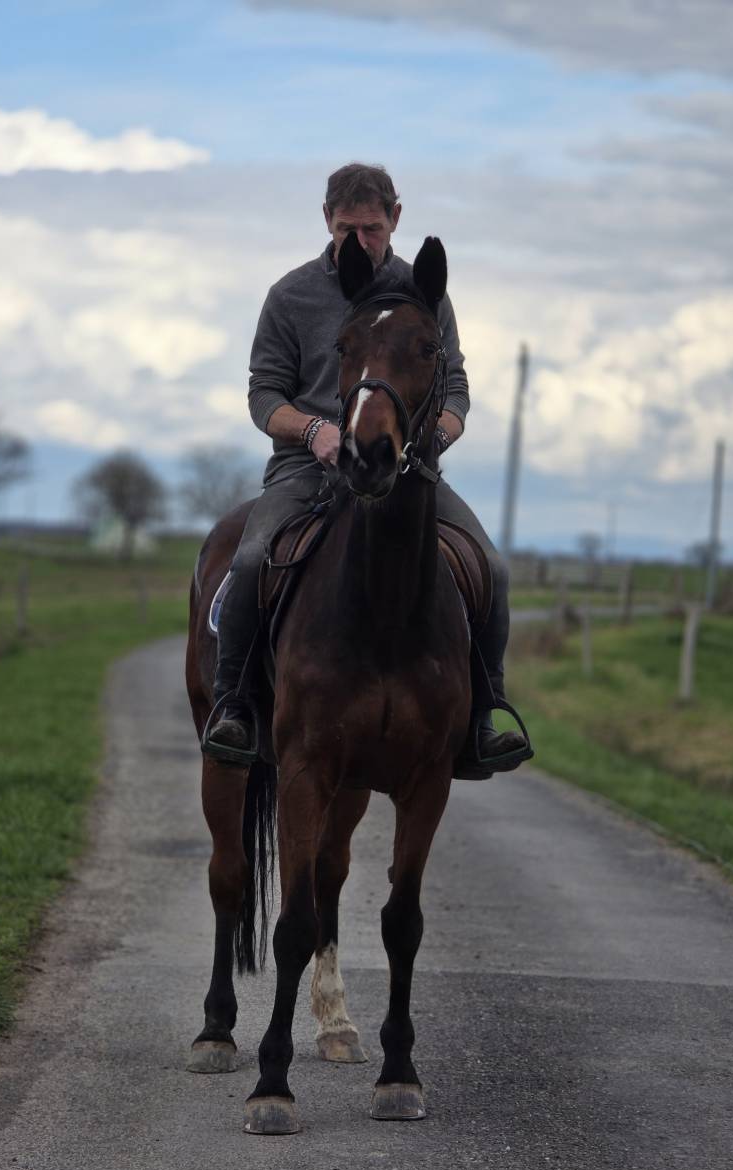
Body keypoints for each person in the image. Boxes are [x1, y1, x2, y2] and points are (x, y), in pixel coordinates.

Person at [201, 162, 530, 778]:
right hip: (307, 468)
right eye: (347, 226)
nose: (359, 239)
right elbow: (264, 396)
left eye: (372, 227)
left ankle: (483, 717)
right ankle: (236, 706)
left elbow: (455, 388)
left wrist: (437, 433)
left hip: (406, 469)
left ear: (395, 221)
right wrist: (315, 431)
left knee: (492, 566)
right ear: (326, 220)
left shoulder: (423, 292)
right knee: (247, 560)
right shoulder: (291, 296)